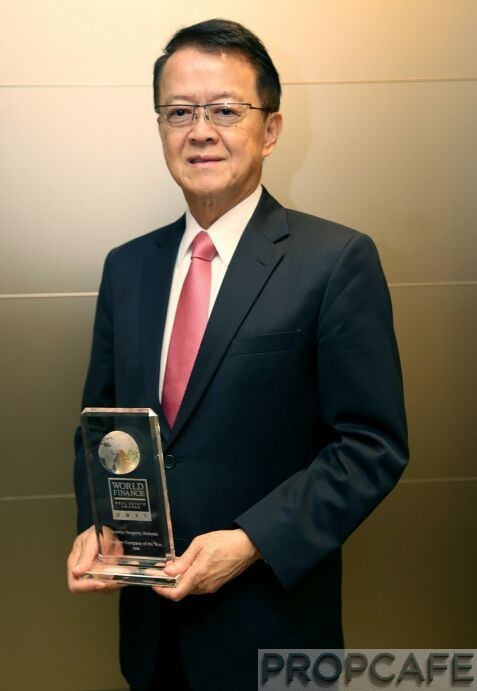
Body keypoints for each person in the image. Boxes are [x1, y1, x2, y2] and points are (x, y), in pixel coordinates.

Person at [67, 18, 408, 691]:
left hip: (272, 630)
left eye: (224, 109)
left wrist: (251, 541)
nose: (200, 130)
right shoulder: (127, 267)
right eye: (178, 111)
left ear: (270, 129)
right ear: (160, 125)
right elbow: (102, 428)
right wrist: (97, 525)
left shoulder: (334, 261)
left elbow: (370, 445)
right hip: (151, 642)